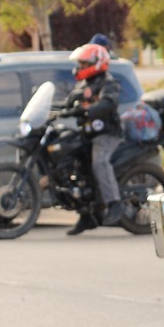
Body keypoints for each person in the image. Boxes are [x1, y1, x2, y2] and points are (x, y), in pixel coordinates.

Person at [62, 42, 123, 234]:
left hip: (106, 134)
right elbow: (69, 102)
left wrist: (88, 111)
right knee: (78, 169)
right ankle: (87, 215)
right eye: (79, 64)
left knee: (99, 162)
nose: (79, 68)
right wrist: (56, 110)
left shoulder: (108, 82)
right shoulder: (84, 84)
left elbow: (108, 103)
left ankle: (114, 203)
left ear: (97, 63)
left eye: (83, 64)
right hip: (87, 134)